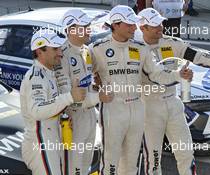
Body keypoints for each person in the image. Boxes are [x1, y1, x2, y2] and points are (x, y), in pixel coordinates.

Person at [89, 5, 193, 175]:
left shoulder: (140, 48)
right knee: (110, 163)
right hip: (113, 109)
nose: (133, 27)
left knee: (131, 165)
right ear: (115, 25)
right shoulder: (97, 48)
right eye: (129, 24)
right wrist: (93, 94)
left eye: (134, 24)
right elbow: (84, 77)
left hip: (137, 109)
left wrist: (177, 75)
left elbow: (157, 74)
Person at [138, 8, 210, 175]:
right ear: (142, 28)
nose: (160, 27)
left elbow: (196, 55)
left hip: (173, 104)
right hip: (149, 107)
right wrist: (179, 75)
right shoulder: (137, 50)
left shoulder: (172, 42)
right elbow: (155, 75)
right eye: (154, 25)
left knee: (185, 152)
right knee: (152, 158)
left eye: (161, 22)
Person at [55, 9, 113, 175]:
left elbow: (94, 76)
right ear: (71, 29)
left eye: (88, 26)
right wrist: (99, 96)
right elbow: (68, 96)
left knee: (87, 163)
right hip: (74, 118)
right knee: (74, 167)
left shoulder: (86, 50)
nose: (89, 30)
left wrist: (97, 85)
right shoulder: (61, 54)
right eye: (84, 26)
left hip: (89, 115)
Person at [20, 28, 86, 175]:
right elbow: (37, 110)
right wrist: (70, 97)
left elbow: (52, 104)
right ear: (39, 52)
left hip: (51, 137)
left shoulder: (49, 72)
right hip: (40, 142)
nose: (60, 53)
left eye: (60, 49)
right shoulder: (35, 76)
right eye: (55, 49)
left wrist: (64, 115)